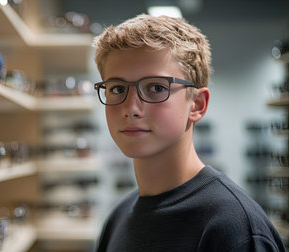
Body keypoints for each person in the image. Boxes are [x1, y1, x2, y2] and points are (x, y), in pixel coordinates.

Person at [92, 14, 285, 251]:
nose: (131, 108)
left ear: (197, 104)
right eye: (118, 88)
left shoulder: (233, 228)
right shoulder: (118, 219)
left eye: (156, 88)